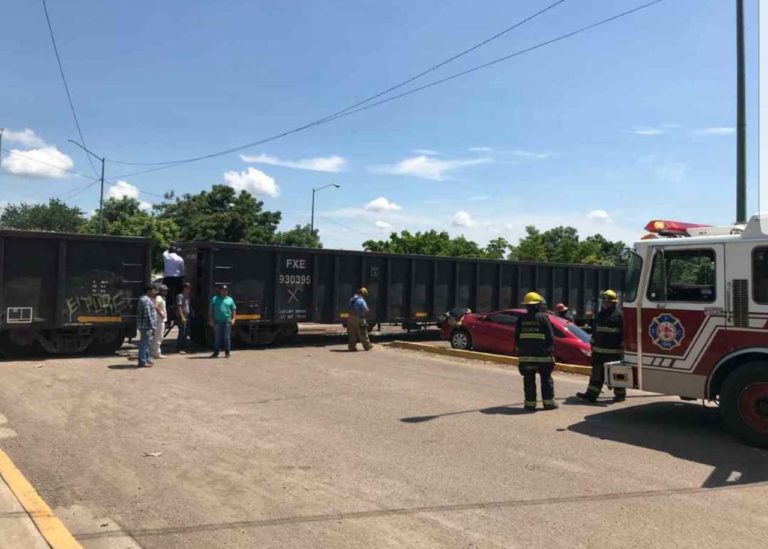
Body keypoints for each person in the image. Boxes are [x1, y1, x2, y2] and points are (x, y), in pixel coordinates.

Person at [577, 290, 626, 403]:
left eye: (607, 302)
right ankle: (591, 395)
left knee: (617, 373)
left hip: (614, 353)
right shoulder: (600, 314)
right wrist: (593, 345)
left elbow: (624, 333)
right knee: (597, 374)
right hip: (599, 352)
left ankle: (620, 395)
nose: (605, 304)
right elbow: (595, 331)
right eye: (604, 302)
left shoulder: (619, 315)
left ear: (614, 303)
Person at [514, 292, 557, 411]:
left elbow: (517, 337)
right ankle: (548, 403)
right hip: (543, 356)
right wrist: (550, 350)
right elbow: (550, 337)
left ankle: (530, 404)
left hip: (526, 356)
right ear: (537, 305)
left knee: (528, 380)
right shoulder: (543, 318)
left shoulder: (521, 319)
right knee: (546, 379)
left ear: (526, 306)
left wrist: (520, 350)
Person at [209, 285, 236, 358]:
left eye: (226, 290)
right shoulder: (215, 299)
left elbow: (233, 309)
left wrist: (233, 319)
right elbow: (211, 310)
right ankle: (216, 352)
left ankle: (227, 352)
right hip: (217, 321)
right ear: (220, 291)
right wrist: (211, 319)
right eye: (223, 290)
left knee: (226, 337)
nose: (224, 291)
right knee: (217, 337)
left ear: (227, 291)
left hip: (227, 321)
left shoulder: (230, 299)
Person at [136, 285, 157, 368]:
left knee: (147, 343)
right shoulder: (145, 300)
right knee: (144, 344)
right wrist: (153, 326)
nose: (155, 292)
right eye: (153, 291)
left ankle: (147, 359)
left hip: (146, 326)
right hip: (146, 326)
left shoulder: (146, 299)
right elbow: (147, 314)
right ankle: (142, 361)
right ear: (149, 291)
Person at [347, 287, 373, 351]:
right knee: (363, 332)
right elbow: (365, 309)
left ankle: (351, 347)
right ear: (362, 294)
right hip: (359, 318)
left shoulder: (351, 299)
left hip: (350, 318)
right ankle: (367, 345)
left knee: (352, 333)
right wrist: (367, 310)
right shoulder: (361, 300)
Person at [152, 284, 168, 359]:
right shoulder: (158, 298)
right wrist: (161, 314)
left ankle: (154, 352)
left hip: (161, 320)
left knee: (158, 336)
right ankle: (157, 353)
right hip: (159, 320)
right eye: (165, 291)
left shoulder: (161, 298)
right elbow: (156, 306)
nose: (166, 292)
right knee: (159, 336)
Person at [176, 282, 192, 354]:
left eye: (189, 288)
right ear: (184, 289)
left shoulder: (188, 297)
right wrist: (182, 317)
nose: (189, 290)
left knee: (186, 333)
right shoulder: (180, 296)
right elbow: (179, 307)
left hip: (187, 316)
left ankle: (184, 347)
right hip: (182, 316)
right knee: (182, 332)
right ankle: (179, 348)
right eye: (187, 288)